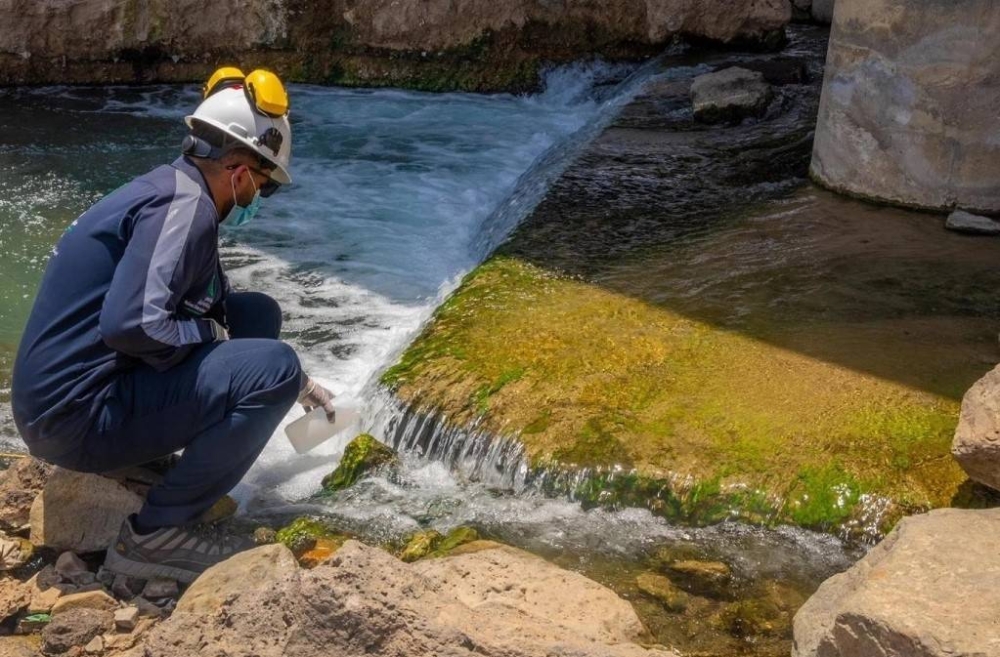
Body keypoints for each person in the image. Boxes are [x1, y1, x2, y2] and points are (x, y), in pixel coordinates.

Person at [11, 68, 336, 583]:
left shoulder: (171, 190)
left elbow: (209, 304)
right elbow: (133, 325)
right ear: (240, 167)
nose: (259, 197)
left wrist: (300, 385)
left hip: (69, 405)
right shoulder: (186, 209)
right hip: (76, 419)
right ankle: (156, 533)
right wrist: (221, 345)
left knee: (256, 315)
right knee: (273, 367)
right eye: (265, 186)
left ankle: (171, 467)